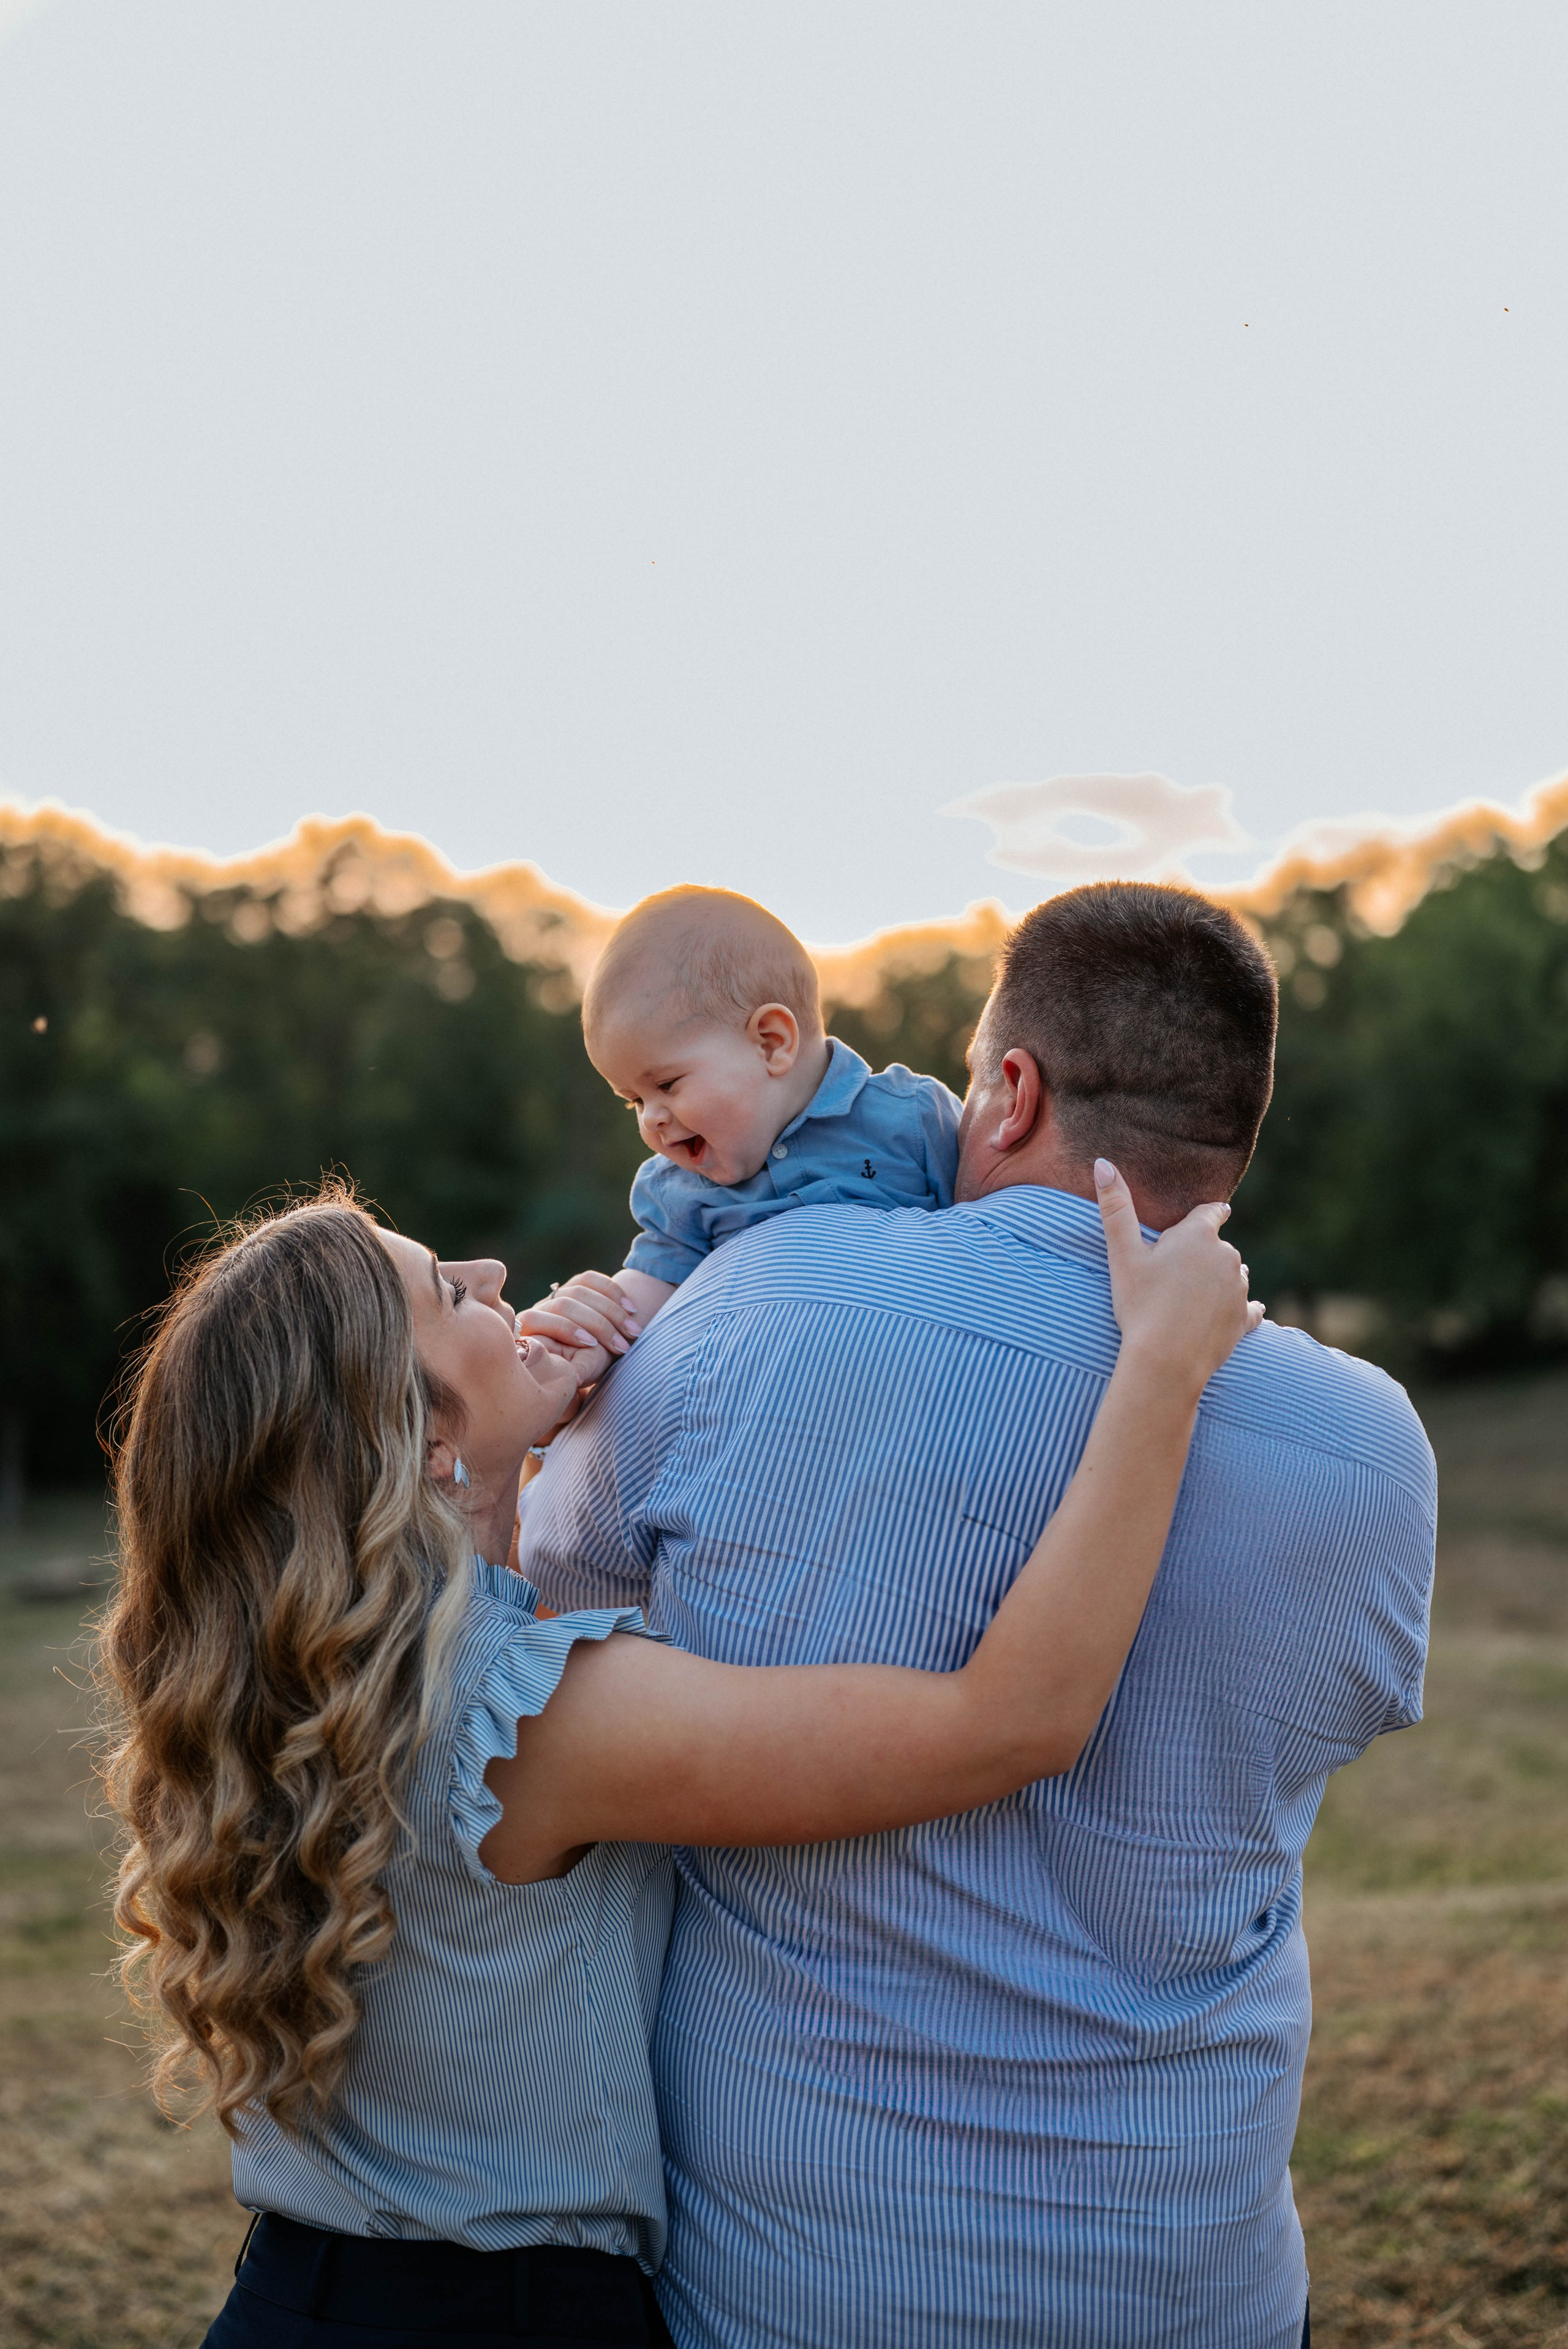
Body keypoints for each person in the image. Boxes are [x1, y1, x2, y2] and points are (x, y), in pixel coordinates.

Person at [97, 1158, 1257, 2349]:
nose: (497, 1275)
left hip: (294, 2301)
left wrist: (513, 1451)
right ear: (418, 1438)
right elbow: (1008, 1723)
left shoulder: (293, 1696)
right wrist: (1162, 1365)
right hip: (493, 2322)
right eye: (450, 1291)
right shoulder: (533, 1723)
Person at [521, 880, 1438, 2349]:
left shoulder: (745, 1307)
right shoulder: (1368, 1446)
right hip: (1189, 2275)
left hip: (803, 2280)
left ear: (1008, 1087)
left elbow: (543, 1583)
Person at [526, 886, 960, 1374]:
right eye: (635, 1101)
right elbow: (642, 1303)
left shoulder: (911, 1120)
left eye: (666, 1084)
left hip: (915, 1370)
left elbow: (999, 1229)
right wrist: (582, 1343)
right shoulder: (678, 1191)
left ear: (772, 1044)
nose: (651, 1118)